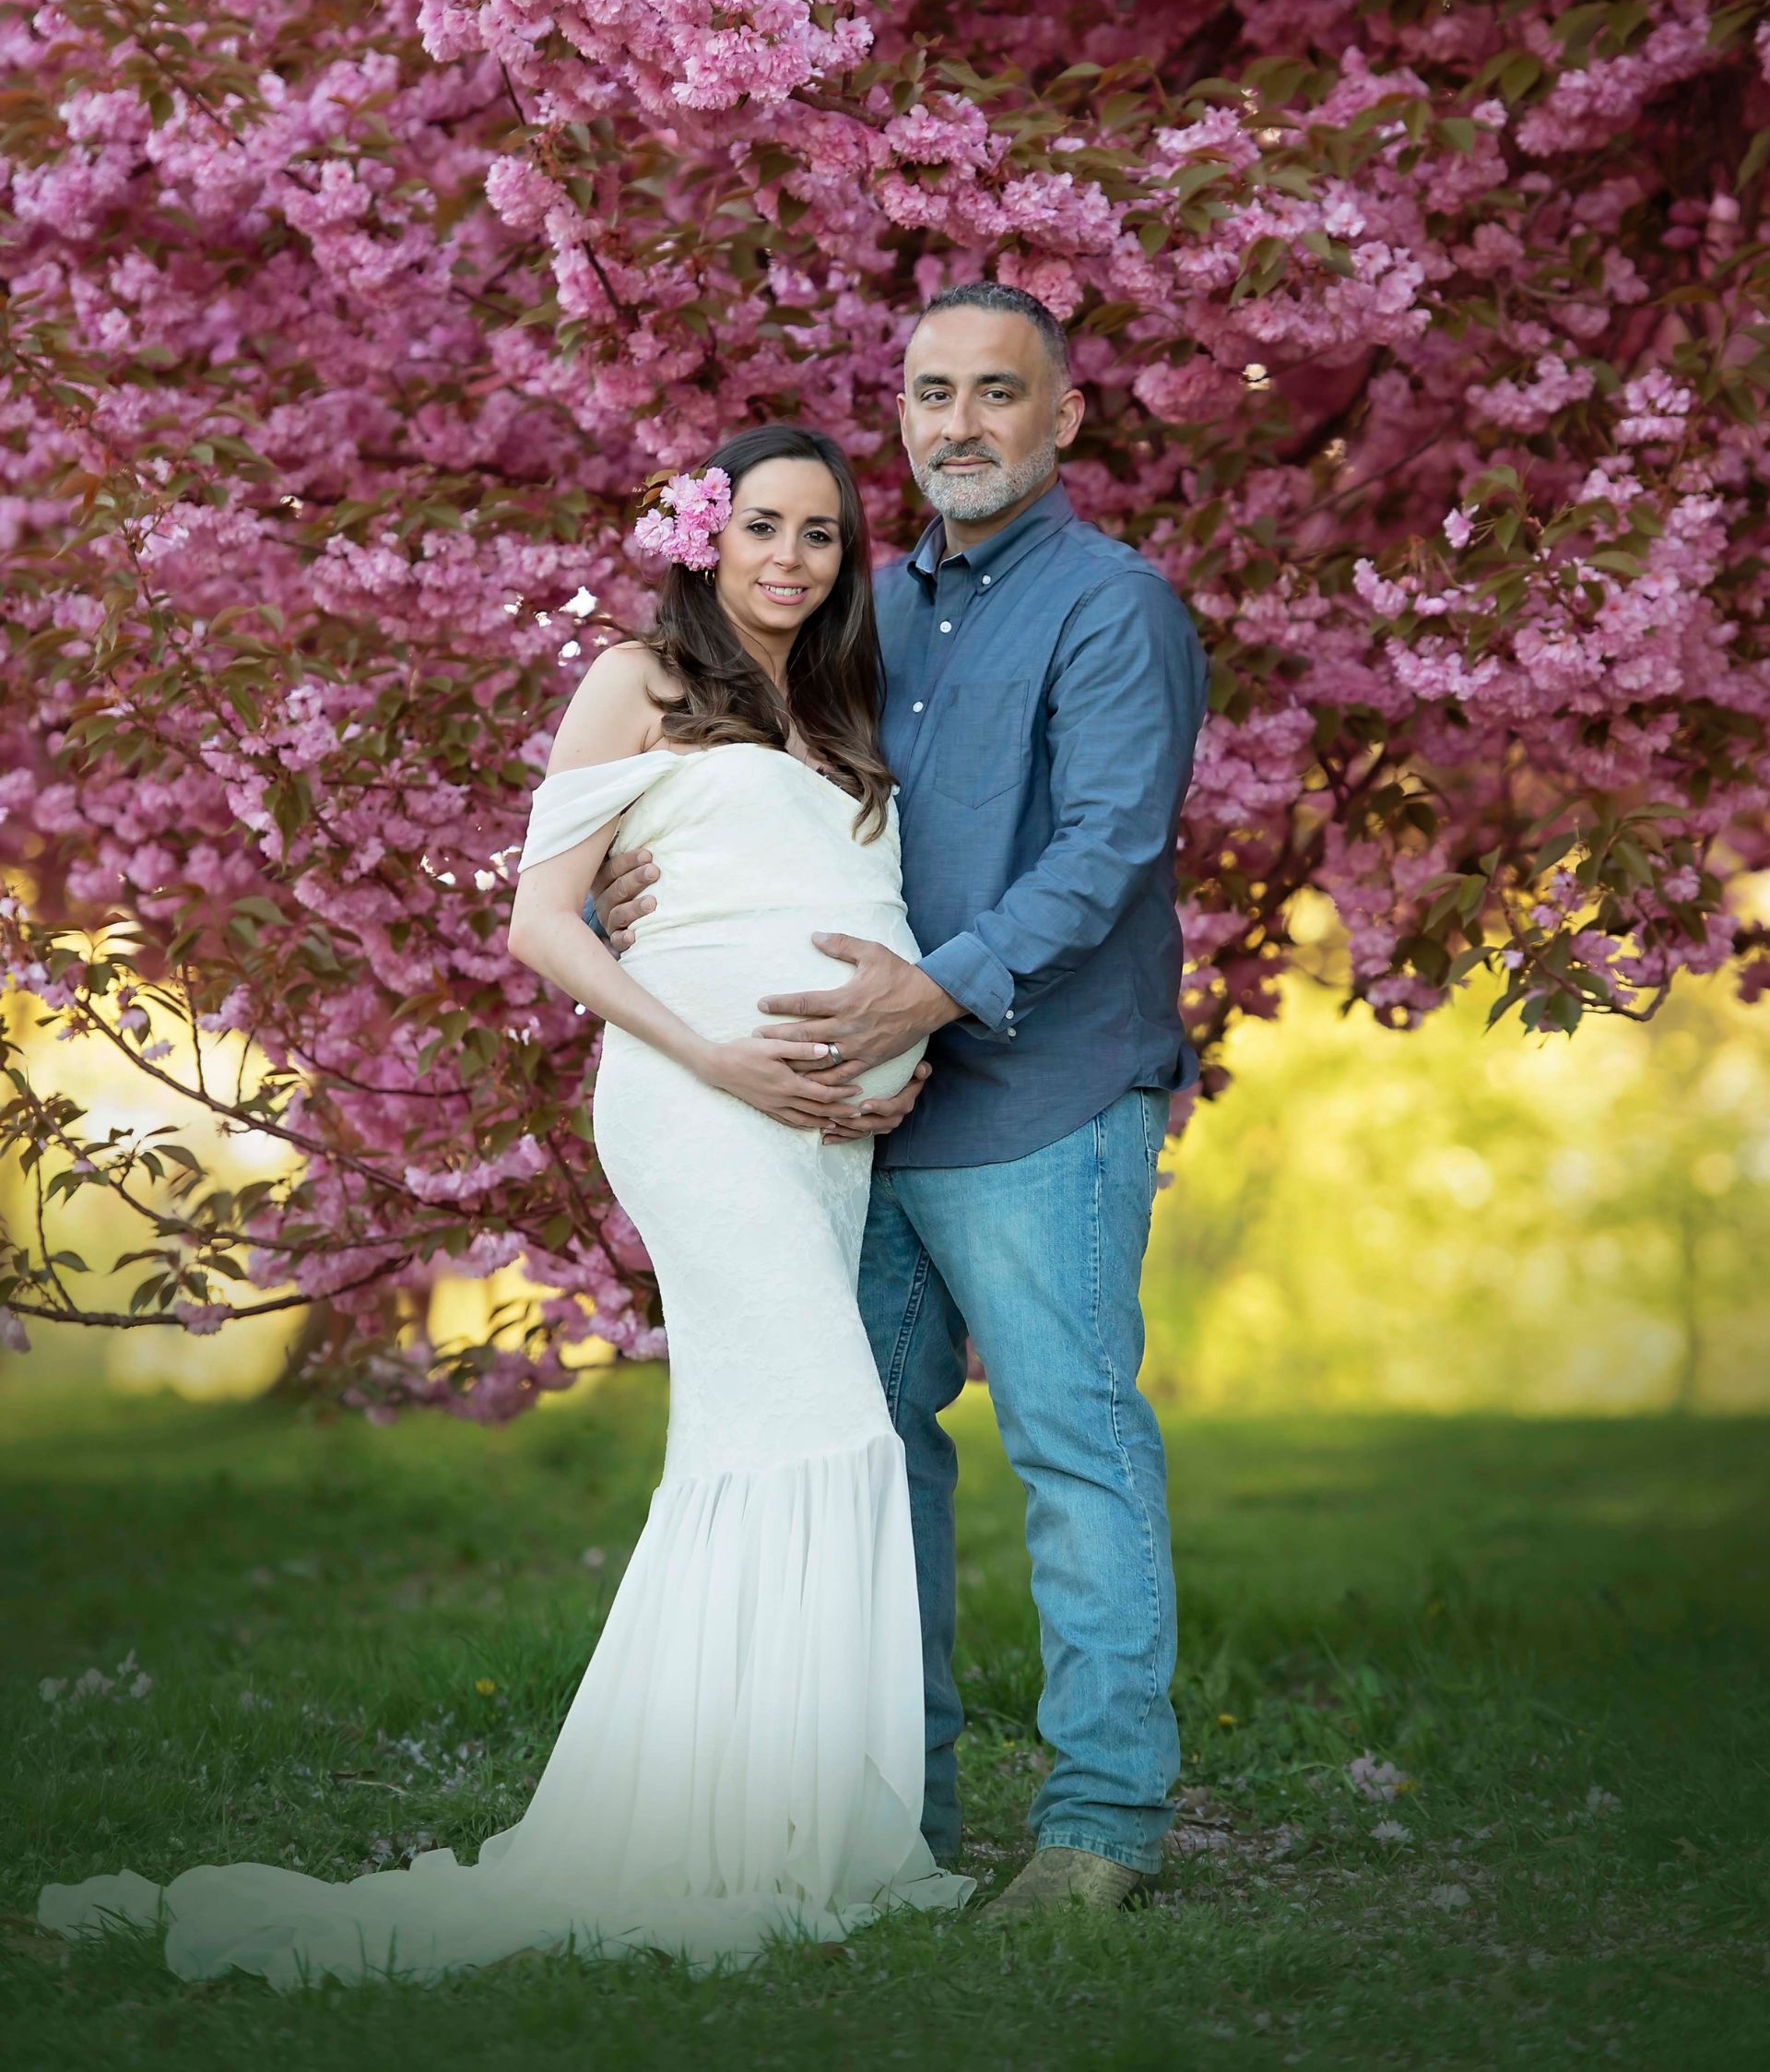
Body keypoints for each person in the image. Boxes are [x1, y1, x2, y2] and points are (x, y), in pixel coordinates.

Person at [37, 423, 974, 1983]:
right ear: (704, 536)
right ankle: (769, 1834)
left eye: (820, 534)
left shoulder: (838, 709)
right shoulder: (637, 678)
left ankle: (761, 1825)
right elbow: (548, 924)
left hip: (827, 1130)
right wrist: (719, 1058)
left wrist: (897, 1043)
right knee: (832, 1433)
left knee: (759, 1447)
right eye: (761, 527)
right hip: (701, 1105)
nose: (790, 560)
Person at [598, 284, 1210, 1923]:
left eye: (995, 393)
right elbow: (760, 784)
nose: (958, 423)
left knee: (1074, 1446)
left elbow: (1108, 847)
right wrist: (647, 866)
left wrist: (929, 993)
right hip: (860, 1123)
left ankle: (1099, 1828)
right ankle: (898, 1823)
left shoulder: (1112, 607)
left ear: (1062, 415)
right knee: (877, 1458)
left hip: (1045, 1097)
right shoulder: (863, 604)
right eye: (930, 392)